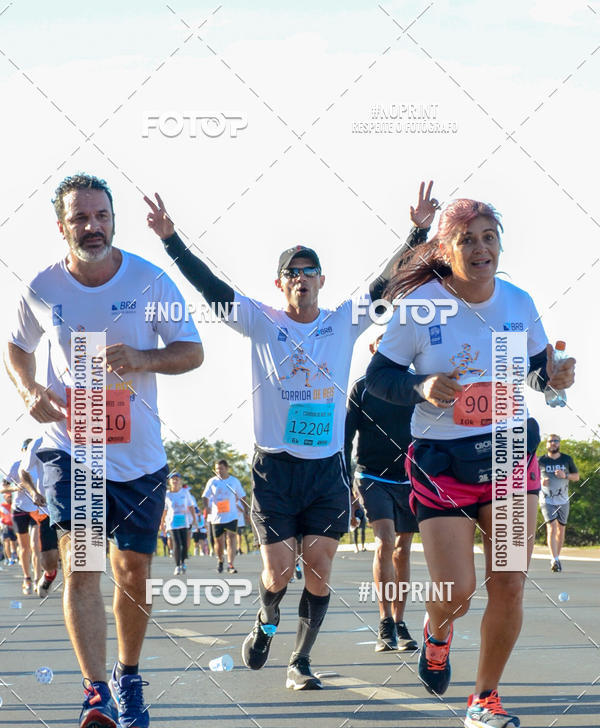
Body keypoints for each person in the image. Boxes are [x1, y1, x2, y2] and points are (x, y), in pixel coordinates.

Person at [144, 183, 433, 690]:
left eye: (308, 272)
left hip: (326, 470)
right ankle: (266, 618)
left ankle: (299, 662)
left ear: (322, 280)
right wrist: (171, 240)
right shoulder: (262, 321)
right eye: (291, 273)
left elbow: (387, 283)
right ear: (280, 284)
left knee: (319, 568)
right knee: (278, 571)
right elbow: (210, 286)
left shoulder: (344, 322)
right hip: (274, 468)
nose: (300, 279)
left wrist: (418, 231)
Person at [5, 172, 203, 728]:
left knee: (133, 573)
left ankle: (129, 676)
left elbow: (192, 352)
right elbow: (16, 348)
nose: (93, 228)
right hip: (74, 450)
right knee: (85, 565)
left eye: (101, 217)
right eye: (80, 219)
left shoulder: (149, 280)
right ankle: (96, 693)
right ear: (61, 226)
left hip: (139, 457)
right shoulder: (42, 287)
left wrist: (143, 358)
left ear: (113, 219)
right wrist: (28, 391)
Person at [366, 197, 575, 728]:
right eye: (468, 239)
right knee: (455, 593)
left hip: (508, 455)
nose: (481, 248)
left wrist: (553, 377)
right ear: (445, 248)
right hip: (444, 463)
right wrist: (421, 386)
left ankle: (484, 698)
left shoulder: (517, 302)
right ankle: (438, 634)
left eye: (489, 237)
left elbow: (532, 371)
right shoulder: (419, 307)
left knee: (508, 581)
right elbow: (377, 380)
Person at [345, 335, 419, 653]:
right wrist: (346, 487)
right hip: (372, 475)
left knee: (402, 549)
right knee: (385, 541)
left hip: (411, 478)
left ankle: (400, 623)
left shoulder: (416, 387)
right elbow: (345, 439)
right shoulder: (361, 388)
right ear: (374, 351)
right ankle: (384, 621)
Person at [18, 436, 60, 597]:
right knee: (48, 559)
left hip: (79, 508)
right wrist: (33, 493)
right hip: (47, 509)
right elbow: (23, 471)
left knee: (80, 561)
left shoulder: (90, 434)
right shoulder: (40, 442)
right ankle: (49, 574)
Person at [538, 435, 579, 572]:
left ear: (559, 444)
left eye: (556, 441)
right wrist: (540, 482)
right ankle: (554, 559)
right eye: (551, 441)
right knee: (552, 527)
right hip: (547, 499)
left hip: (563, 500)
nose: (553, 443)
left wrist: (565, 476)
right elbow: (529, 478)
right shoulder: (541, 461)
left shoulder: (567, 459)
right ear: (547, 444)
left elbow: (576, 477)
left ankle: (557, 557)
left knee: (561, 529)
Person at [7, 439, 42, 595]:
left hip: (37, 509)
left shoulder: (40, 464)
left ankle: (37, 579)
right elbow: (3, 487)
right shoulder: (16, 466)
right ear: (22, 450)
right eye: (25, 449)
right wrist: (15, 487)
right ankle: (26, 578)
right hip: (20, 508)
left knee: (36, 546)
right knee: (25, 547)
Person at [202, 460, 246, 574]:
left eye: (221, 468)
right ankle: (220, 560)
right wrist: (207, 507)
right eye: (217, 469)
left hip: (231, 516)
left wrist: (246, 512)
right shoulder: (212, 482)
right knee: (219, 542)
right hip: (217, 517)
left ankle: (231, 564)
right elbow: (205, 496)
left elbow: (242, 496)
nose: (219, 471)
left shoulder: (234, 481)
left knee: (231, 539)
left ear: (227, 468)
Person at [161, 473, 197, 574]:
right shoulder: (167, 494)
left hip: (184, 522)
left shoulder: (185, 493)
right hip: (172, 523)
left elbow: (191, 507)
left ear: (180, 481)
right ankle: (177, 566)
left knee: (184, 544)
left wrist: (194, 520)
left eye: (177, 479)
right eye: (173, 480)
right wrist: (162, 522)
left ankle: (183, 562)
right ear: (170, 482)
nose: (175, 481)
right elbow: (164, 510)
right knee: (176, 543)